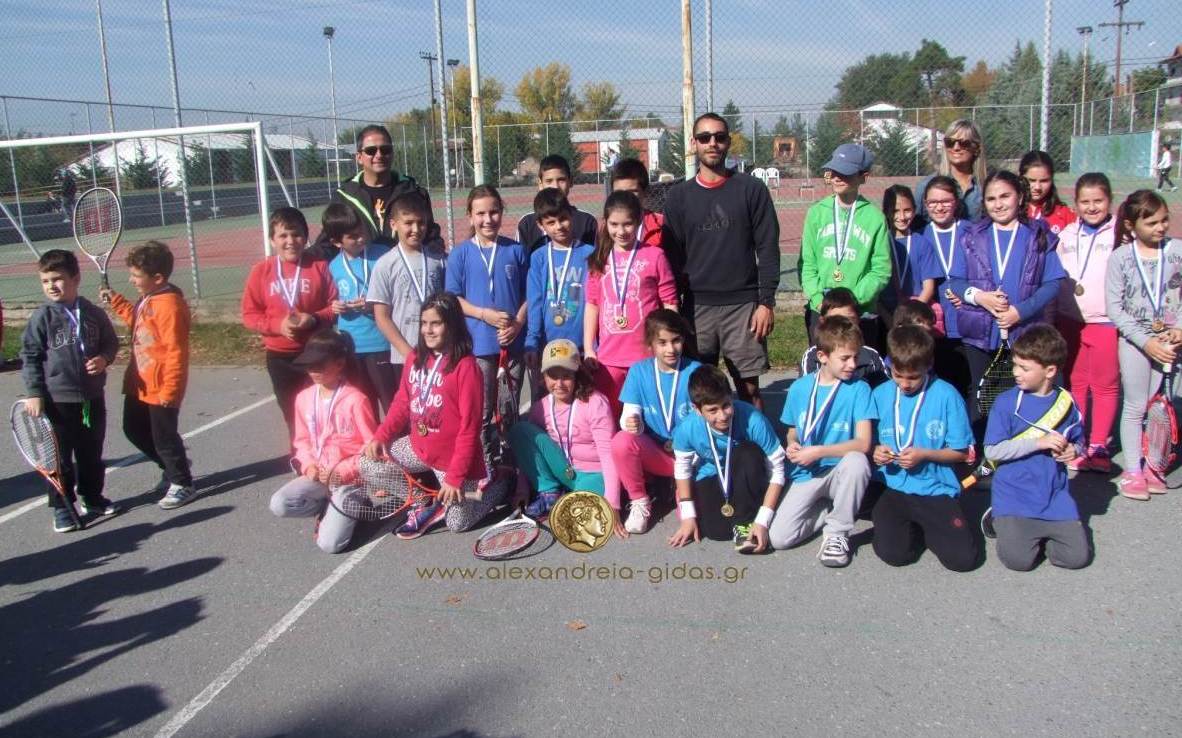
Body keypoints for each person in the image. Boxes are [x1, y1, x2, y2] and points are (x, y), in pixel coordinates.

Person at [661, 112, 781, 409]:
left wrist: (766, 302)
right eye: (704, 137)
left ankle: (755, 440)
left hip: (743, 307)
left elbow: (767, 248)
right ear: (694, 143)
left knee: (749, 392)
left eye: (719, 137)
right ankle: (706, 441)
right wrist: (675, 310)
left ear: (728, 142)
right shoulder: (678, 196)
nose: (712, 143)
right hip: (696, 308)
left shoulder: (751, 189)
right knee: (699, 394)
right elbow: (671, 258)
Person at [364, 292, 507, 539]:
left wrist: (454, 478)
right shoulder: (415, 358)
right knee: (368, 463)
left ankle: (500, 482)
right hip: (419, 448)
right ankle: (425, 502)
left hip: (452, 461)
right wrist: (381, 436)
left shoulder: (467, 367)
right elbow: (402, 402)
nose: (428, 330)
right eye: (424, 323)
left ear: (451, 325)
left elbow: (470, 428)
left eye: (436, 323)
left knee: (457, 523)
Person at [947, 170, 1065, 435]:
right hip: (980, 332)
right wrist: (980, 297)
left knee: (1020, 391)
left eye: (1005, 196)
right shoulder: (971, 236)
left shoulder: (1037, 235)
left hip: (1024, 332)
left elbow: (1052, 284)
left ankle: (1018, 446)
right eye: (991, 199)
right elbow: (956, 281)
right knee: (981, 392)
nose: (998, 204)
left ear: (1020, 197)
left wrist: (1019, 312)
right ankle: (980, 448)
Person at [20, 249, 119, 531]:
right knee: (59, 460)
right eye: (45, 281)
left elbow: (110, 343)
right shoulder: (42, 317)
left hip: (91, 398)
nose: (51, 286)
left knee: (91, 453)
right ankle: (62, 508)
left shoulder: (93, 313)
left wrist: (104, 359)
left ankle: (92, 497)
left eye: (57, 279)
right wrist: (34, 392)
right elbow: (30, 355)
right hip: (57, 402)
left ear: (75, 279)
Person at [870, 325, 979, 572]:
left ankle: (934, 528)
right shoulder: (880, 394)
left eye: (913, 377)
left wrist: (925, 454)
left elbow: (962, 452)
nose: (905, 384)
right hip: (894, 487)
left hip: (935, 488)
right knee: (893, 555)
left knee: (962, 561)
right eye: (898, 375)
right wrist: (876, 451)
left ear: (928, 365)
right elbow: (868, 442)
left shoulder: (947, 395)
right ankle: (915, 529)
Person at [983, 325, 1090, 571]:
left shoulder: (1067, 402)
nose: (1015, 372)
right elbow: (992, 451)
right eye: (1015, 365)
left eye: (1024, 368)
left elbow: (1079, 440)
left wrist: (1073, 450)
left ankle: (1036, 534)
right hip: (1014, 495)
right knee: (1019, 561)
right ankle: (999, 517)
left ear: (1050, 371)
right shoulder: (1006, 402)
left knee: (1076, 558)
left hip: (1053, 495)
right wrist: (1038, 443)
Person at [770, 316, 874, 568]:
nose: (852, 364)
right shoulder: (799, 388)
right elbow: (792, 430)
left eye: (855, 357)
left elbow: (863, 444)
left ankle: (837, 533)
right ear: (822, 356)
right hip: (808, 472)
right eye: (845, 358)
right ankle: (829, 508)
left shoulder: (859, 389)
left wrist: (818, 451)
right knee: (780, 538)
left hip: (841, 471)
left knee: (858, 462)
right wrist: (792, 443)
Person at [100, 241, 196, 509]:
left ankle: (183, 482)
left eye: (136, 275)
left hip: (161, 386)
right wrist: (116, 301)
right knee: (133, 429)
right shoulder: (149, 298)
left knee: (164, 437)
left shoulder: (170, 306)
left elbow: (176, 352)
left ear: (158, 278)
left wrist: (170, 390)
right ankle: (171, 467)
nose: (131, 280)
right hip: (140, 382)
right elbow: (139, 323)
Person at [269, 331, 378, 553]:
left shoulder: (356, 400)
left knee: (330, 545)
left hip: (348, 481)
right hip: (318, 475)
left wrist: (342, 472)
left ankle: (358, 507)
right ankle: (331, 508)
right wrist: (309, 466)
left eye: (320, 365)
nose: (313, 370)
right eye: (309, 365)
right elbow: (301, 441)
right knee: (279, 504)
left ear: (339, 364)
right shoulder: (304, 398)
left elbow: (371, 448)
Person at [445, 185, 528, 469]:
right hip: (478, 346)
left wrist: (517, 323)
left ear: (502, 213)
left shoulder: (515, 250)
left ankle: (513, 468)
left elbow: (530, 294)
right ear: (470, 216)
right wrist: (484, 315)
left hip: (512, 344)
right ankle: (485, 469)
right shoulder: (460, 254)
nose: (487, 219)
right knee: (480, 411)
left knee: (509, 409)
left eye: (493, 212)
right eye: (480, 214)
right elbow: (453, 299)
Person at [1105, 190, 1181, 499]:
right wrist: (1145, 342)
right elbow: (1115, 308)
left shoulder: (1178, 250)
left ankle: (1154, 466)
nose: (1160, 227)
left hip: (1170, 342)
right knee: (1136, 406)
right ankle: (1133, 470)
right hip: (1136, 342)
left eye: (1164, 220)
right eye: (1151, 223)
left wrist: (1179, 328)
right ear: (1131, 225)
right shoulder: (1121, 257)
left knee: (1161, 406)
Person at [241, 208, 338, 443]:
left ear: (305, 238)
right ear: (272, 240)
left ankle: (327, 453)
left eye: (296, 235)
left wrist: (314, 318)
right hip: (280, 358)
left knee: (321, 409)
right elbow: (249, 315)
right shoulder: (261, 271)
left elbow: (334, 306)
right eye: (283, 236)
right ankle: (300, 454)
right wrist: (278, 325)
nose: (290, 241)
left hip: (315, 353)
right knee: (292, 413)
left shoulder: (319, 267)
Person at [667, 365, 786, 550]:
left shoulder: (753, 419)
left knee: (747, 452)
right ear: (697, 409)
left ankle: (747, 520)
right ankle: (738, 513)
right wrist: (688, 517)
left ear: (731, 397)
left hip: (748, 474)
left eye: (726, 405)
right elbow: (682, 469)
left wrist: (763, 519)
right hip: (713, 475)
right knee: (715, 532)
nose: (722, 416)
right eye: (713, 410)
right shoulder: (687, 428)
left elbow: (778, 470)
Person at [584, 191, 678, 414]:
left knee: (647, 417)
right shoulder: (599, 259)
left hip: (646, 356)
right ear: (605, 223)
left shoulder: (655, 256)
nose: (621, 231)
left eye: (627, 224)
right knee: (609, 415)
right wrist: (588, 348)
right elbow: (592, 304)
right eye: (614, 224)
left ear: (638, 221)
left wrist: (668, 343)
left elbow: (670, 302)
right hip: (609, 358)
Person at [612, 309, 703, 535]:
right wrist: (632, 421)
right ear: (650, 343)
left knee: (693, 518)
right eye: (662, 342)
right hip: (657, 454)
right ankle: (639, 500)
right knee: (621, 441)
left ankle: (681, 490)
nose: (670, 349)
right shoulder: (639, 371)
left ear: (683, 340)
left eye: (676, 341)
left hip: (691, 458)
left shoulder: (696, 371)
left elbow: (706, 422)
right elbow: (629, 413)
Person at [508, 339, 618, 522]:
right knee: (520, 431)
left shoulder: (595, 403)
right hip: (563, 469)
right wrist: (522, 489)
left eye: (566, 375)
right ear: (543, 376)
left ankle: (572, 496)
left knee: (576, 518)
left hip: (593, 473)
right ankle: (549, 491)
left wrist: (613, 503)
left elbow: (608, 454)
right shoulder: (540, 407)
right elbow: (529, 453)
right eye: (553, 375)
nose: (559, 383)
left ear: (577, 375)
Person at [799, 142, 892, 348]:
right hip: (821, 310)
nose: (837, 177)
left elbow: (881, 270)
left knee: (858, 363)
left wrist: (853, 301)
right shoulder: (816, 213)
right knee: (824, 362)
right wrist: (819, 301)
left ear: (863, 177)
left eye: (845, 173)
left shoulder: (874, 218)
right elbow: (807, 264)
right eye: (833, 171)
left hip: (860, 312)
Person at [1056, 173, 1119, 474]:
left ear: (1110, 201)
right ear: (1076, 203)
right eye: (1085, 201)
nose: (1092, 207)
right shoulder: (1067, 234)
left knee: (1105, 385)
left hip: (1106, 321)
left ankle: (1099, 445)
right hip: (1071, 319)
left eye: (1098, 201)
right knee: (1076, 383)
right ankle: (1078, 441)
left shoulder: (1120, 232)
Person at [308, 125, 438, 257]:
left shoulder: (414, 192)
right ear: (359, 157)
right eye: (371, 151)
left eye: (385, 150)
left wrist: (438, 258)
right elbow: (328, 242)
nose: (379, 155)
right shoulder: (344, 196)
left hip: (406, 268)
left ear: (392, 153)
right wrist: (305, 258)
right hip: (362, 269)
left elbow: (431, 237)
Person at [367, 192, 447, 395]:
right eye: (408, 223)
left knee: (439, 406)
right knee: (411, 408)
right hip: (405, 357)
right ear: (393, 224)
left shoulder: (438, 260)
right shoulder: (385, 264)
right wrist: (408, 353)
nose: (416, 229)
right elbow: (382, 316)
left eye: (421, 223)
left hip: (440, 351)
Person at [323, 204, 394, 415]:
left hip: (381, 341)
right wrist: (334, 306)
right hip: (351, 345)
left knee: (391, 402)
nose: (361, 238)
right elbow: (330, 300)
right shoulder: (333, 266)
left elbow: (397, 293)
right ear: (337, 242)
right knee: (363, 405)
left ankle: (397, 437)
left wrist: (374, 303)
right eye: (353, 237)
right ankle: (370, 437)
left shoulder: (383, 256)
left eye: (362, 231)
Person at [524, 188, 594, 388]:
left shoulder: (590, 254)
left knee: (584, 395)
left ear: (571, 215)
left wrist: (592, 345)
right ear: (541, 225)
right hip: (548, 347)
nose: (559, 226)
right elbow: (535, 302)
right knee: (548, 398)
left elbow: (596, 301)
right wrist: (532, 341)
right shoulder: (538, 257)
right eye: (551, 222)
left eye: (563, 219)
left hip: (582, 346)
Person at [921, 175, 972, 391]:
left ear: (956, 202)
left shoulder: (970, 231)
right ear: (925, 204)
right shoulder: (921, 235)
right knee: (941, 383)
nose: (939, 207)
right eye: (933, 202)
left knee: (968, 382)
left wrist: (971, 296)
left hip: (967, 322)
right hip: (937, 326)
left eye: (946, 201)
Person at [798, 287, 887, 386]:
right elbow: (807, 391)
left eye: (849, 320)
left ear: (858, 320)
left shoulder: (871, 357)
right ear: (822, 322)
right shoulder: (813, 357)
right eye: (835, 321)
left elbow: (885, 391)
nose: (842, 326)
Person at [880, 185, 940, 323]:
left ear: (914, 210)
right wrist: (889, 320)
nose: (901, 217)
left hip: (915, 317)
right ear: (886, 212)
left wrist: (909, 318)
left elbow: (928, 288)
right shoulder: (880, 242)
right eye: (895, 211)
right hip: (885, 317)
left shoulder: (922, 243)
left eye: (907, 210)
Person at [515, 154, 599, 252]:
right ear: (540, 184)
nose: (555, 186)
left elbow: (594, 258)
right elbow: (520, 259)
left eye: (561, 180)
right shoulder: (527, 224)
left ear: (571, 181)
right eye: (549, 181)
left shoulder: (586, 221)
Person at [916, 119, 989, 222]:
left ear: (976, 148)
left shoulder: (986, 187)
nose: (956, 148)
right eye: (950, 142)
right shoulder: (926, 185)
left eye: (964, 143)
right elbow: (915, 225)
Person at [610, 158, 664, 250]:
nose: (625, 198)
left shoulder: (661, 225)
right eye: (619, 193)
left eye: (632, 192)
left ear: (646, 192)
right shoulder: (605, 227)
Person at [1019, 150, 1076, 235]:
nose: (1037, 187)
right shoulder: (1011, 212)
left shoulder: (1065, 215)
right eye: (1032, 180)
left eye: (1044, 181)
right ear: (1021, 178)